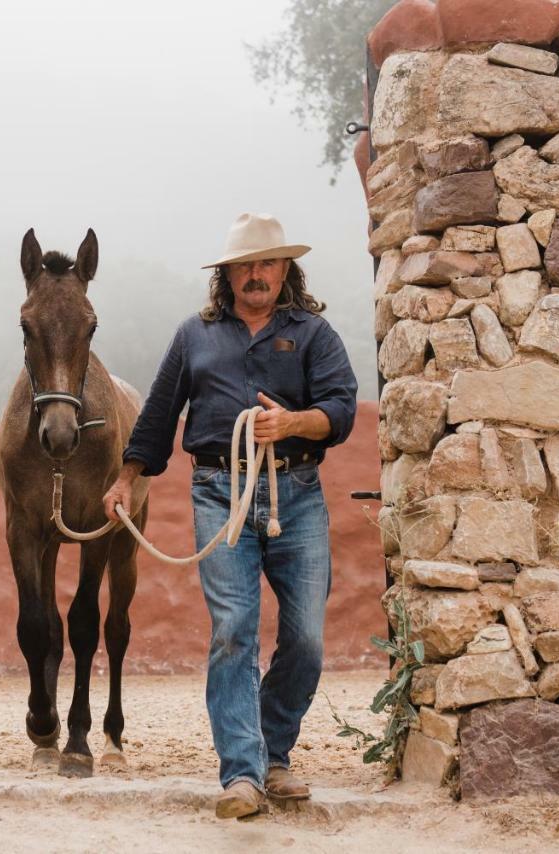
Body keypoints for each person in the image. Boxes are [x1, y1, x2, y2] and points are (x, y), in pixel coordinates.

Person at [102, 213, 357, 819]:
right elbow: (159, 415)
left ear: (285, 269)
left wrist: (292, 423)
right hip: (219, 491)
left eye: (268, 262)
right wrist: (125, 479)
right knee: (233, 632)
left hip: (296, 490)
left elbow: (341, 409)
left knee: (306, 639)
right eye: (245, 264)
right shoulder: (195, 335)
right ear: (227, 275)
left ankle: (273, 752)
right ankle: (243, 774)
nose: (257, 274)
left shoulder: (314, 333)